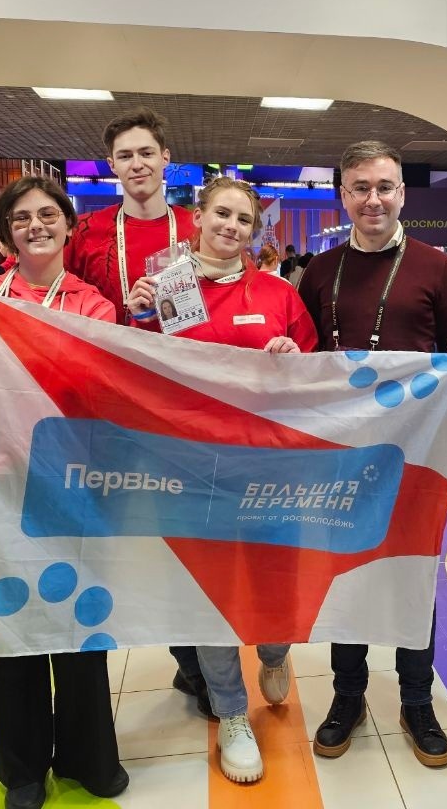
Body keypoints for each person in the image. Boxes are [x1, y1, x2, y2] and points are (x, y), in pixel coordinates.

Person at [0, 177, 126, 809]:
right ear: (7, 234)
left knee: (79, 621)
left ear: (68, 226)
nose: (35, 226)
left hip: (69, 484)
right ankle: (22, 769)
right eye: (20, 218)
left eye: (46, 215)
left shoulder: (94, 306)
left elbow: (96, 397)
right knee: (9, 623)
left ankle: (89, 757)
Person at [127, 175, 317, 784]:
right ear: (198, 217)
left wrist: (293, 359)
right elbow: (137, 373)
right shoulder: (166, 289)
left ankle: (275, 651)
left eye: (244, 219)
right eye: (222, 214)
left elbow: (317, 375)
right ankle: (232, 713)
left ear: (254, 231)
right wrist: (137, 317)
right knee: (210, 594)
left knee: (274, 579)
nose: (232, 227)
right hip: (191, 467)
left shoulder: (279, 293)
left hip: (268, 467)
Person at [296, 141, 447, 770]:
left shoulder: (436, 268)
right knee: (344, 571)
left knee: (410, 572)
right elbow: (307, 364)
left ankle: (417, 700)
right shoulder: (320, 270)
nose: (373, 199)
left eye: (385, 187)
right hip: (342, 453)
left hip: (417, 453)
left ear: (403, 193)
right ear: (343, 194)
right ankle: (348, 695)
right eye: (360, 187)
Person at [64, 107, 207, 715]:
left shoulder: (197, 227)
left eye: (147, 152)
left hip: (183, 404)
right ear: (112, 165)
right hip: (110, 406)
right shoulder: (89, 233)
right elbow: (61, 306)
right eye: (125, 155)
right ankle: (154, 653)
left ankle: (198, 661)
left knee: (189, 537)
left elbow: (230, 297)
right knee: (128, 540)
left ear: (166, 159)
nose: (137, 164)